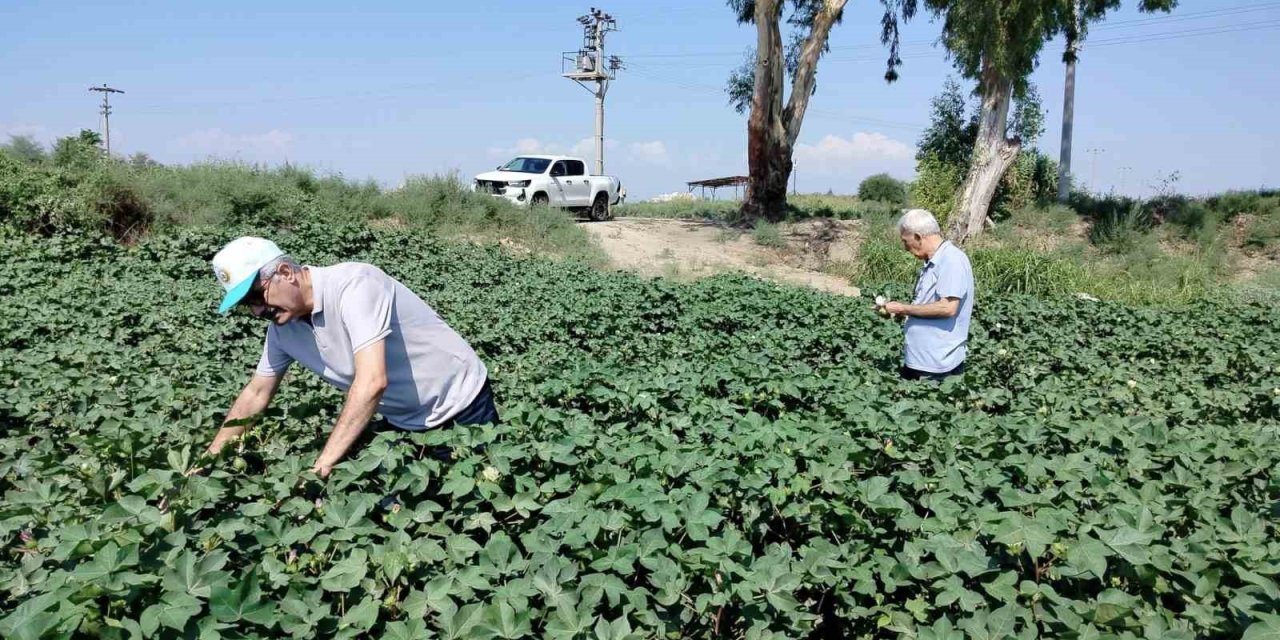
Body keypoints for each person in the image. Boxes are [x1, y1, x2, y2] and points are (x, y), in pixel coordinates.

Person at [200, 236, 496, 478]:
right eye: (245, 306)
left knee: (476, 499)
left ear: (286, 273)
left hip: (460, 404)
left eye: (255, 297)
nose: (256, 311)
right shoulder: (283, 332)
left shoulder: (355, 285)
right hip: (403, 419)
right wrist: (210, 459)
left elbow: (372, 383)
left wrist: (322, 465)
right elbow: (256, 393)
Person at [874, 209, 974, 382]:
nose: (905, 248)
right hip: (921, 360)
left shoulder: (952, 260)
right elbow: (929, 304)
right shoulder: (934, 261)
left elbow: (948, 308)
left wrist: (903, 308)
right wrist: (904, 313)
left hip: (937, 366)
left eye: (906, 241)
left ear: (919, 237)